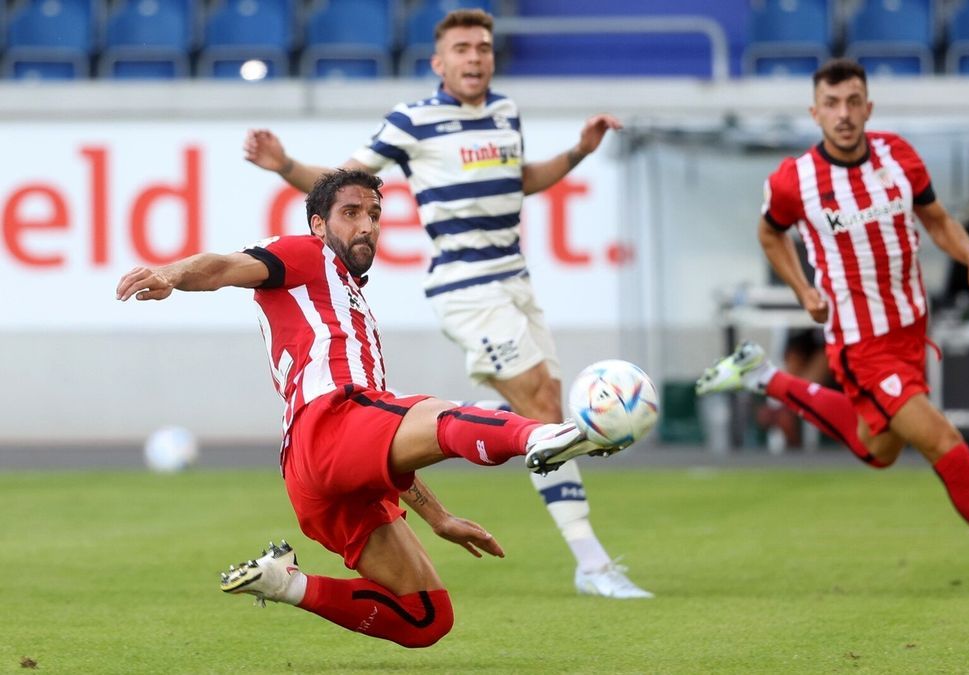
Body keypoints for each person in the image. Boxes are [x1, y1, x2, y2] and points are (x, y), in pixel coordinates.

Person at [116, 169, 626, 648]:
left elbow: (385, 443)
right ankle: (539, 436)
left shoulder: (348, 298)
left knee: (427, 616)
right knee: (440, 416)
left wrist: (440, 518)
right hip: (328, 422)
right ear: (319, 225)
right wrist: (169, 274)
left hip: (323, 469)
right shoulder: (306, 255)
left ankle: (286, 584)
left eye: (375, 215)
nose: (367, 226)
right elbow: (223, 267)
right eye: (351, 213)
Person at [241, 8, 650, 599]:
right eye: (462, 48)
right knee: (538, 403)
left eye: (483, 47)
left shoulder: (506, 113)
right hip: (466, 286)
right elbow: (345, 181)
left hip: (516, 281)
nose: (475, 57)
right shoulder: (415, 120)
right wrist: (284, 165)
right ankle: (584, 550)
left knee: (546, 405)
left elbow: (521, 180)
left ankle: (518, 439)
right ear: (440, 62)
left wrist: (579, 152)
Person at [696, 59, 969, 591]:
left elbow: (938, 220)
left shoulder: (898, 156)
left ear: (868, 107)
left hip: (908, 333)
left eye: (853, 102)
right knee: (945, 443)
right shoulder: (796, 180)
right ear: (815, 112)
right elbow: (769, 235)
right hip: (859, 344)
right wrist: (803, 288)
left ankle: (765, 378)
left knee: (877, 450)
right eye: (831, 105)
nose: (844, 114)